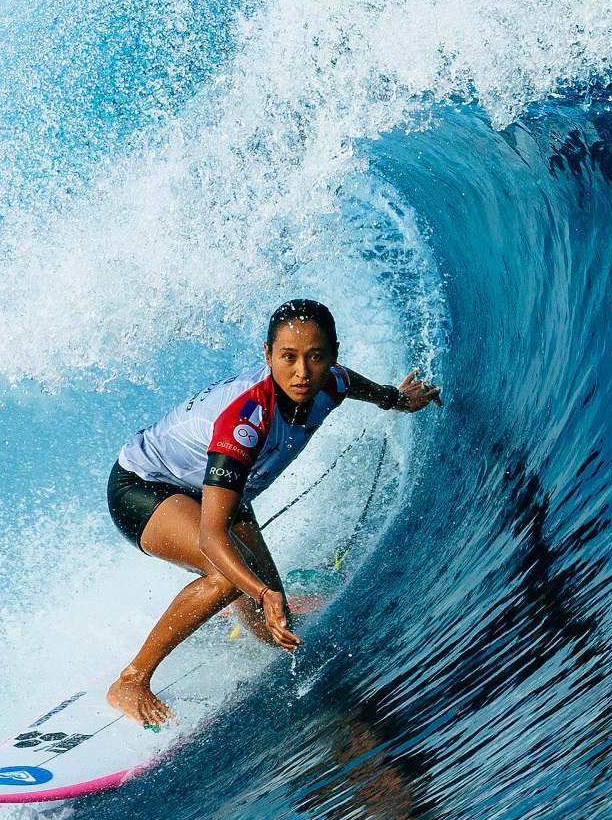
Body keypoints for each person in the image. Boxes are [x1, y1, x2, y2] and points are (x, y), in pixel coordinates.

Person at [103, 298, 440, 725]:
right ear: (267, 355)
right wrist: (259, 590)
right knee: (227, 577)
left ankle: (230, 609)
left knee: (274, 631)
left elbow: (349, 383)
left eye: (315, 357)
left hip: (219, 490)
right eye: (288, 357)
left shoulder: (329, 382)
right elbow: (211, 536)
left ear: (332, 355)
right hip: (143, 487)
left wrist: (396, 399)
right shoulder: (245, 422)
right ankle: (131, 680)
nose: (302, 372)